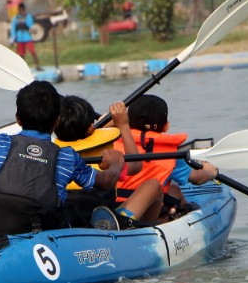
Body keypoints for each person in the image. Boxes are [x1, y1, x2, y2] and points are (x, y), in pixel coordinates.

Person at [0, 81, 126, 235]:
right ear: (57, 120)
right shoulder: (66, 156)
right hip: (42, 233)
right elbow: (107, 182)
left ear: (18, 118)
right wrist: (116, 163)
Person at [53, 96, 164, 228]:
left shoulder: (51, 152)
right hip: (104, 215)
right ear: (90, 128)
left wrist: (98, 128)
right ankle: (144, 231)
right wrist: (123, 125)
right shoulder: (105, 153)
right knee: (154, 186)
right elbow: (135, 165)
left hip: (69, 216)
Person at [112, 95, 219, 218]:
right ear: (166, 126)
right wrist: (210, 172)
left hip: (114, 204)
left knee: (174, 190)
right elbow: (197, 178)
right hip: (147, 215)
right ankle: (171, 217)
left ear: (126, 121)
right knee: (173, 195)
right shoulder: (170, 152)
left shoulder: (113, 142)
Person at [10, 2, 41, 70]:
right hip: (19, 38)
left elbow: (30, 26)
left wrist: (25, 19)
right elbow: (13, 29)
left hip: (27, 37)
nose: (21, 11)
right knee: (21, 54)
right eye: (20, 10)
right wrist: (12, 38)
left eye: (22, 10)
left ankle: (38, 66)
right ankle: (23, 69)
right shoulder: (15, 18)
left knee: (33, 52)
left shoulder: (28, 17)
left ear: (24, 9)